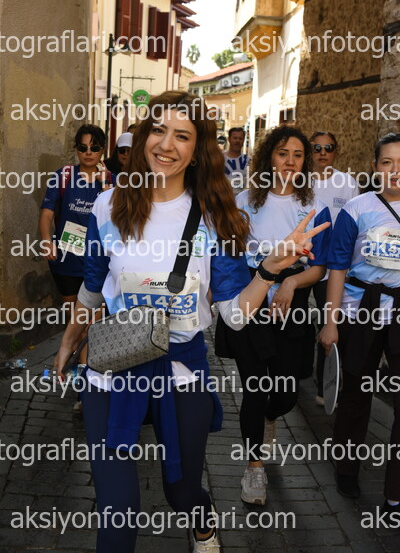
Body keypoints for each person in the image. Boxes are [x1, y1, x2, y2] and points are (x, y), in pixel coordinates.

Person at [54, 92, 330, 553]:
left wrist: (267, 271)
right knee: (117, 510)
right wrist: (70, 340)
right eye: (158, 130)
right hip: (111, 366)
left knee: (182, 491)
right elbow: (92, 286)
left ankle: (202, 524)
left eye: (182, 135)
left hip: (180, 369)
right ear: (143, 137)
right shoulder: (108, 205)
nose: (167, 144)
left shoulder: (216, 218)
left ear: (198, 148)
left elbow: (234, 316)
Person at [216, 125, 332, 506]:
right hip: (252, 300)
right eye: (283, 153)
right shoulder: (244, 202)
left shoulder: (313, 208)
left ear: (305, 162)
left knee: (285, 394)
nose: (290, 161)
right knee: (254, 388)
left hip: (290, 305)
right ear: (269, 158)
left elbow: (320, 268)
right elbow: (231, 255)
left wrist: (291, 283)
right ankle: (254, 468)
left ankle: (270, 418)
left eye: (298, 155)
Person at [319, 133, 400, 521]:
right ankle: (347, 468)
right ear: (374, 167)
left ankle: (395, 492)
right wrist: (330, 323)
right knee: (355, 394)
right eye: (387, 163)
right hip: (359, 312)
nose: (395, 171)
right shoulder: (356, 208)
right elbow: (337, 266)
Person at [39, 124, 112, 310]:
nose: (88, 152)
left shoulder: (113, 181)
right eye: (82, 147)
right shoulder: (63, 176)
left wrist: (105, 184)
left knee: (95, 317)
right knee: (73, 313)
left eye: (94, 148)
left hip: (99, 259)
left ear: (103, 150)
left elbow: (116, 219)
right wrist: (46, 241)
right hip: (67, 258)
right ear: (76, 149)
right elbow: (47, 212)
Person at [310, 131, 359, 404]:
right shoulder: (302, 182)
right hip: (302, 265)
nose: (322, 152)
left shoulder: (347, 184)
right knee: (293, 322)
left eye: (328, 148)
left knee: (329, 322)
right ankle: (294, 372)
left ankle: (324, 386)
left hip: (333, 269)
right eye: (317, 148)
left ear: (336, 151)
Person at [223, 127, 249, 195]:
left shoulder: (248, 160)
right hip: (223, 198)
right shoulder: (219, 158)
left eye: (240, 138)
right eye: (235, 138)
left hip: (241, 199)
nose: (238, 141)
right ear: (229, 139)